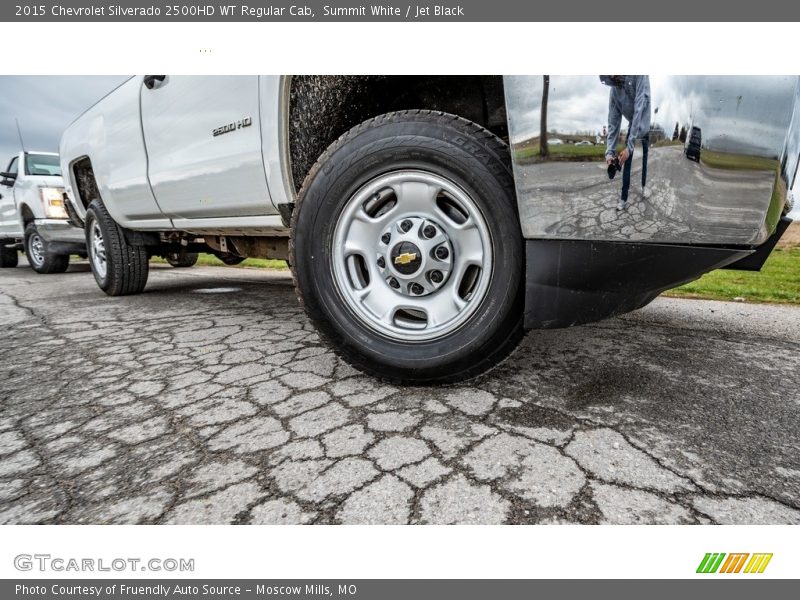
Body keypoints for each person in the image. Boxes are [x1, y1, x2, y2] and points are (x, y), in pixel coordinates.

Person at [600, 75, 652, 211]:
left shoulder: (639, 75)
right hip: (632, 125)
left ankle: (643, 186)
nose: (612, 76)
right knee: (626, 161)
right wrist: (610, 153)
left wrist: (630, 146)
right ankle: (623, 198)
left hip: (643, 122)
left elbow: (639, 107)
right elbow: (613, 122)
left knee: (644, 157)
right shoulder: (614, 91)